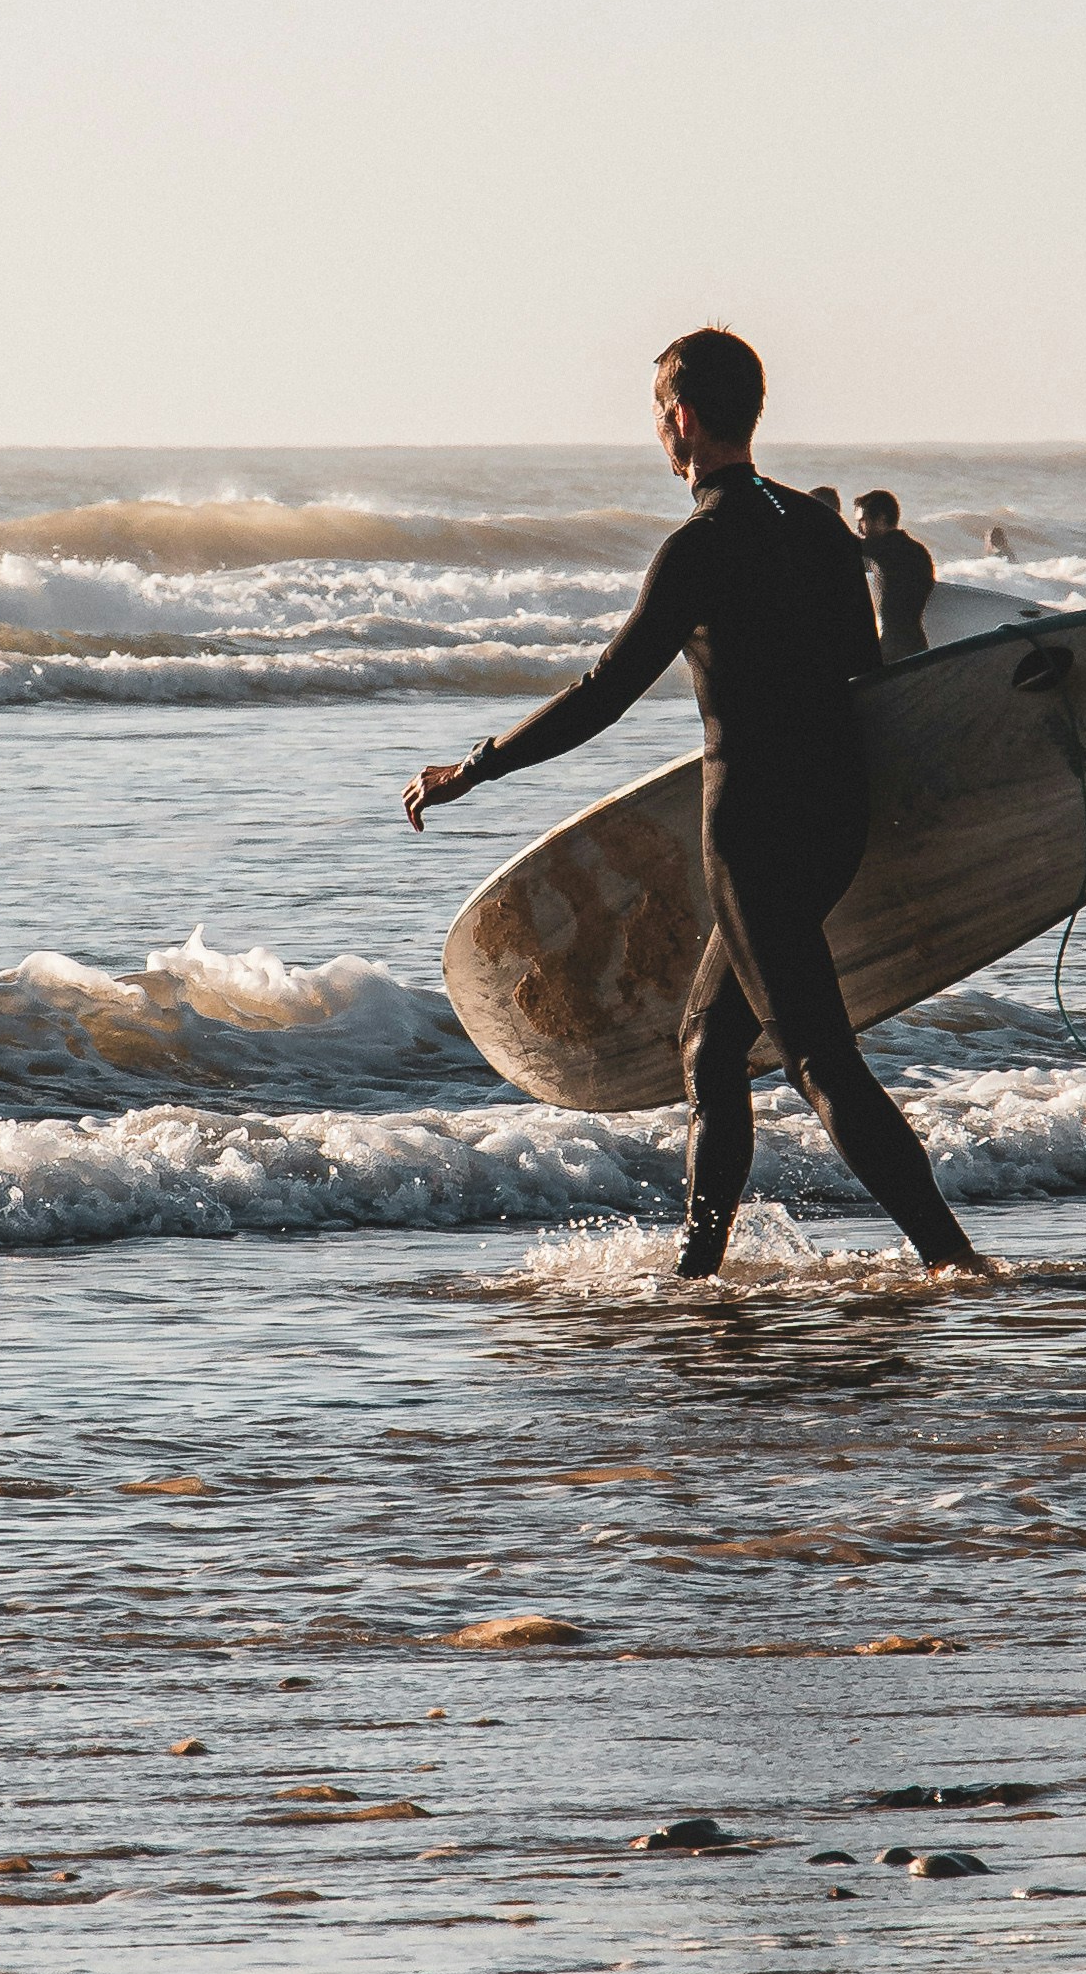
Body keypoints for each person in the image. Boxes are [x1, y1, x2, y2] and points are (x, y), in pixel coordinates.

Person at [403, 328, 980, 1282]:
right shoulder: (819, 530)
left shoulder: (699, 548)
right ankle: (698, 1272)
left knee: (818, 1059)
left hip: (754, 830)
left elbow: (603, 693)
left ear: (682, 418)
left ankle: (953, 1260)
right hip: (836, 814)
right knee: (710, 1046)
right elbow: (869, 677)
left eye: (658, 414)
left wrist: (476, 767)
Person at [854, 489, 935, 662]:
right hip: (918, 645)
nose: (859, 528)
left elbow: (840, 547)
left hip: (890, 648)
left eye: (862, 520)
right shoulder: (919, 551)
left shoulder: (879, 548)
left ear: (881, 519)